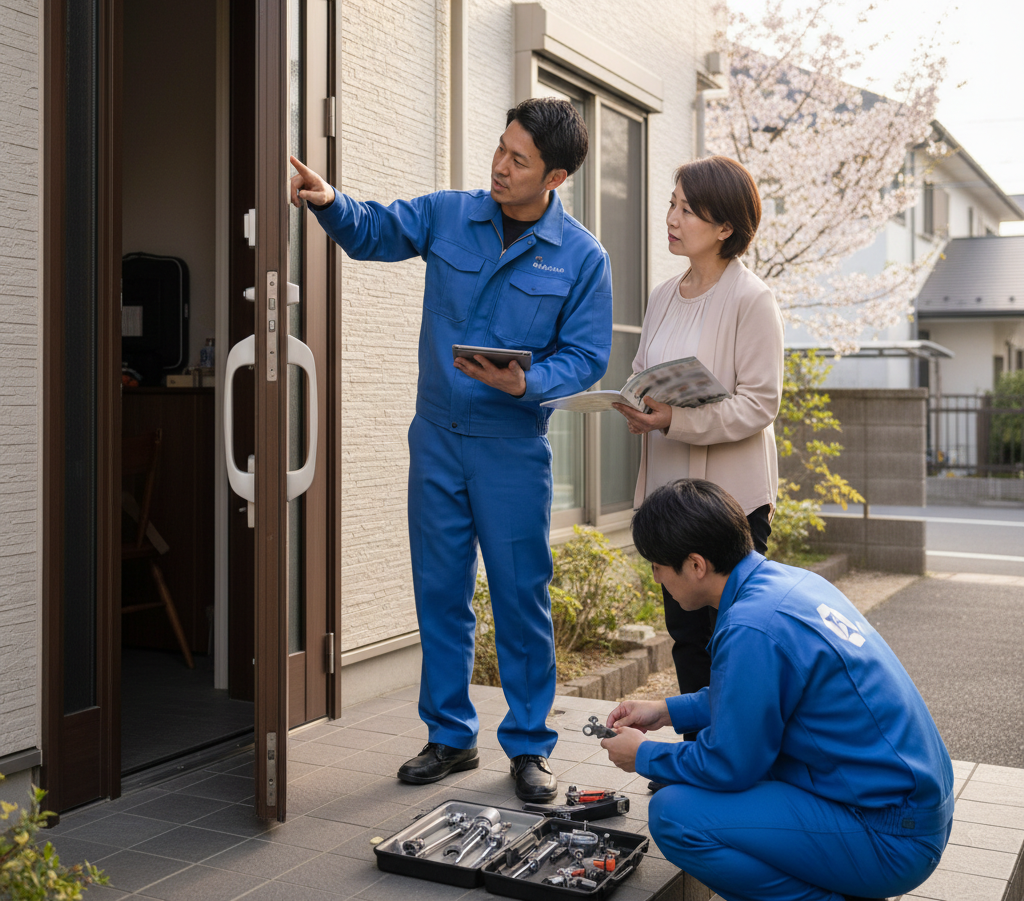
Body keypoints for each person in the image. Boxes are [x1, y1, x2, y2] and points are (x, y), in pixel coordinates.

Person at [289, 98, 612, 801]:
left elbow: (588, 356)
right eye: (500, 148)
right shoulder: (448, 214)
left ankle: (528, 746)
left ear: (554, 175)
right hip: (435, 435)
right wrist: (330, 202)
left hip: (511, 446)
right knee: (441, 592)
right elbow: (374, 230)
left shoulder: (582, 257)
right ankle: (449, 735)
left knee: (521, 597)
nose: (500, 165)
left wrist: (528, 380)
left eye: (519, 159)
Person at [601, 479, 953, 901]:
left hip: (891, 837)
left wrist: (644, 755)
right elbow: (752, 696)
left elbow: (731, 765)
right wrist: (666, 710)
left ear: (695, 565)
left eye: (657, 565)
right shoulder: (787, 584)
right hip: (913, 809)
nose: (656, 576)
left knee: (674, 815)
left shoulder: (751, 626)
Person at [611, 155, 784, 719]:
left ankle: (739, 757)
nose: (672, 218)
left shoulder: (751, 298)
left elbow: (760, 403)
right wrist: (637, 407)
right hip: (669, 494)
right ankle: (696, 759)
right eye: (672, 204)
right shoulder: (663, 294)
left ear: (725, 226)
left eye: (688, 209)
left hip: (730, 504)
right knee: (684, 635)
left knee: (735, 640)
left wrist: (675, 420)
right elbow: (642, 370)